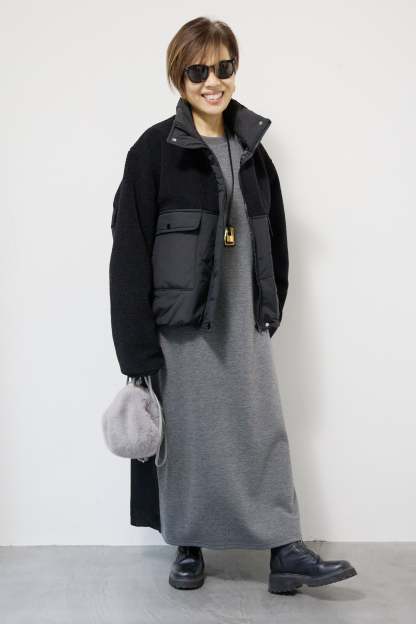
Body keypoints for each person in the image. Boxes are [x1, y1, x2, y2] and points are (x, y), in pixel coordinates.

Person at [109, 16, 357, 594]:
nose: (213, 81)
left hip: (244, 324)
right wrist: (136, 348)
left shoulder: (252, 151)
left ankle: (285, 549)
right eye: (198, 71)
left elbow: (276, 239)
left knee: (262, 432)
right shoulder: (153, 151)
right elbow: (129, 251)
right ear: (179, 77)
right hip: (180, 329)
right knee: (187, 439)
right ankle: (188, 545)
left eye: (223, 67)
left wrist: (270, 306)